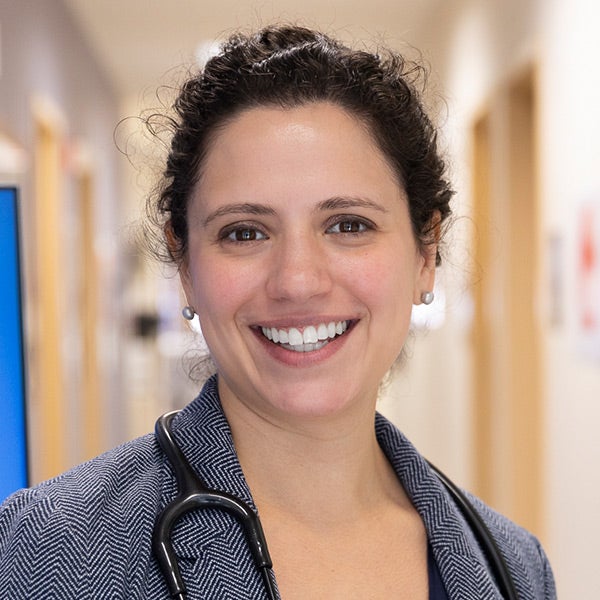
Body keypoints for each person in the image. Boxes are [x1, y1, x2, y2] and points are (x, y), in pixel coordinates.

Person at [0, 24, 555, 599]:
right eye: (244, 233)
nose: (297, 281)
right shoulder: (49, 548)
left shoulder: (514, 567)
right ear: (185, 265)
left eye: (348, 225)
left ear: (425, 254)